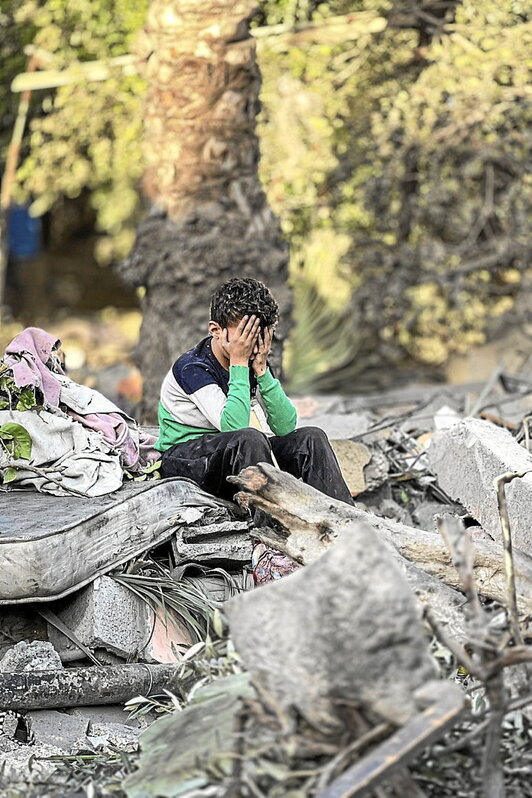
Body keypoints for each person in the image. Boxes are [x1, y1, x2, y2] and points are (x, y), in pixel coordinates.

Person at [155, 277, 353, 504]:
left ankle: (345, 521)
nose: (251, 346)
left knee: (311, 437)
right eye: (244, 337)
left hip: (236, 456)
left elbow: (285, 426)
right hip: (187, 462)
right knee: (249, 438)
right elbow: (234, 427)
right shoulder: (193, 368)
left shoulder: (251, 360)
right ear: (216, 330)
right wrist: (239, 363)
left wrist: (261, 370)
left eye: (257, 336)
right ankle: (268, 525)